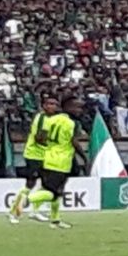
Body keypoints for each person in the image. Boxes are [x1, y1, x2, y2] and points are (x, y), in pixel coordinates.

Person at [24, 96, 84, 229]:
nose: (79, 110)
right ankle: (23, 202)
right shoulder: (70, 123)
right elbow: (74, 142)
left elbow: (40, 137)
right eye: (76, 107)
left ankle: (55, 220)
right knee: (53, 192)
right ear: (68, 108)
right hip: (61, 161)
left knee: (58, 190)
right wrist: (85, 158)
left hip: (48, 158)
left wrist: (51, 146)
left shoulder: (51, 120)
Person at [9, 95, 58, 223]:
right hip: (34, 155)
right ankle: (13, 213)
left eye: (55, 104)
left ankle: (35, 212)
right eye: (50, 104)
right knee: (30, 184)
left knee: (47, 183)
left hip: (44, 156)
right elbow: (38, 138)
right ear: (44, 106)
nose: (53, 107)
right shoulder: (42, 118)